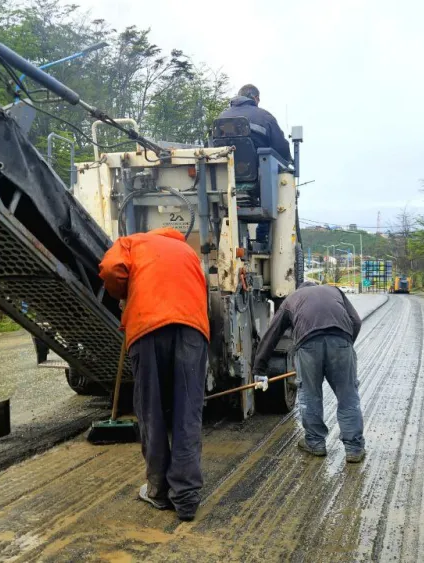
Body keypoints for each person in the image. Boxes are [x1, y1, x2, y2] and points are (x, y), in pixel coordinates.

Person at [99, 227, 210, 521]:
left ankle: (159, 491)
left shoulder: (133, 242)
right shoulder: (188, 253)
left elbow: (111, 268)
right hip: (192, 329)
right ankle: (186, 498)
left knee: (152, 411)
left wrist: (122, 293)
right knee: (188, 412)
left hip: (147, 329)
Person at [252, 281, 366, 463]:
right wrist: (346, 346)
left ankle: (315, 443)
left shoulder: (292, 299)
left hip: (308, 345)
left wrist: (260, 369)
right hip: (341, 341)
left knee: (310, 395)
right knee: (348, 396)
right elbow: (356, 321)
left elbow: (272, 334)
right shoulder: (334, 291)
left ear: (300, 290)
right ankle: (354, 449)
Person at [217, 84, 291, 162]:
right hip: (259, 171)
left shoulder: (221, 116)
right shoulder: (265, 117)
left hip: (224, 169)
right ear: (257, 98)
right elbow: (281, 148)